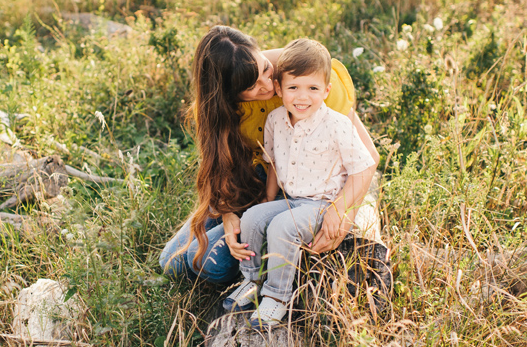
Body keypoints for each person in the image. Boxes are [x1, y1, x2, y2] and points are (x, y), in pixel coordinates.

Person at [158, 26, 378, 286]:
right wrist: (228, 215)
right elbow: (221, 167)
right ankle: (241, 231)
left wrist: (344, 214)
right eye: (251, 88)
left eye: (264, 69)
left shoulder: (304, 74)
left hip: (312, 184)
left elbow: (369, 157)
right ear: (228, 94)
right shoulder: (216, 109)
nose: (267, 86)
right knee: (170, 264)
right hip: (254, 181)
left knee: (212, 268)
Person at [221, 39, 375, 328]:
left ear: (326, 91)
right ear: (279, 89)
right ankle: (252, 280)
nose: (302, 97)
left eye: (313, 89)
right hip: (291, 199)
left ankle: (278, 296)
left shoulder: (337, 124)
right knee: (253, 217)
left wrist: (340, 210)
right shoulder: (276, 120)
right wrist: (268, 199)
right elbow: (273, 163)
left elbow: (363, 166)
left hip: (323, 203)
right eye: (293, 88)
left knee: (282, 226)